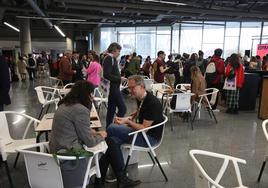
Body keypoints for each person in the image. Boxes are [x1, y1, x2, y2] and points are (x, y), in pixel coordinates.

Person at [96, 75, 164, 187]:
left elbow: (144, 128)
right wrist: (131, 117)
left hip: (149, 138)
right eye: (129, 88)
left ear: (142, 86)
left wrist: (127, 122)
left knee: (111, 129)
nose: (130, 91)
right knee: (111, 141)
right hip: (141, 133)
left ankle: (103, 177)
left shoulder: (153, 103)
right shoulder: (141, 98)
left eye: (133, 88)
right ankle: (120, 177)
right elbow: (140, 110)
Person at [49, 80, 107, 188]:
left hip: (54, 150)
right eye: (92, 93)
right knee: (104, 146)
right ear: (87, 94)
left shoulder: (64, 105)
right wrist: (101, 136)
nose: (93, 97)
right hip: (70, 156)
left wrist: (92, 132)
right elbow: (90, 142)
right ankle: (98, 178)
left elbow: (72, 128)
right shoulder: (81, 110)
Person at [103, 42, 127, 127]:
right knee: (122, 108)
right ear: (113, 51)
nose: (119, 53)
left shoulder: (112, 58)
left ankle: (109, 129)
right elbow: (106, 75)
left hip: (114, 87)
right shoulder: (109, 58)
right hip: (113, 88)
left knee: (111, 109)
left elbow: (110, 73)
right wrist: (119, 79)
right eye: (118, 51)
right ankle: (114, 127)